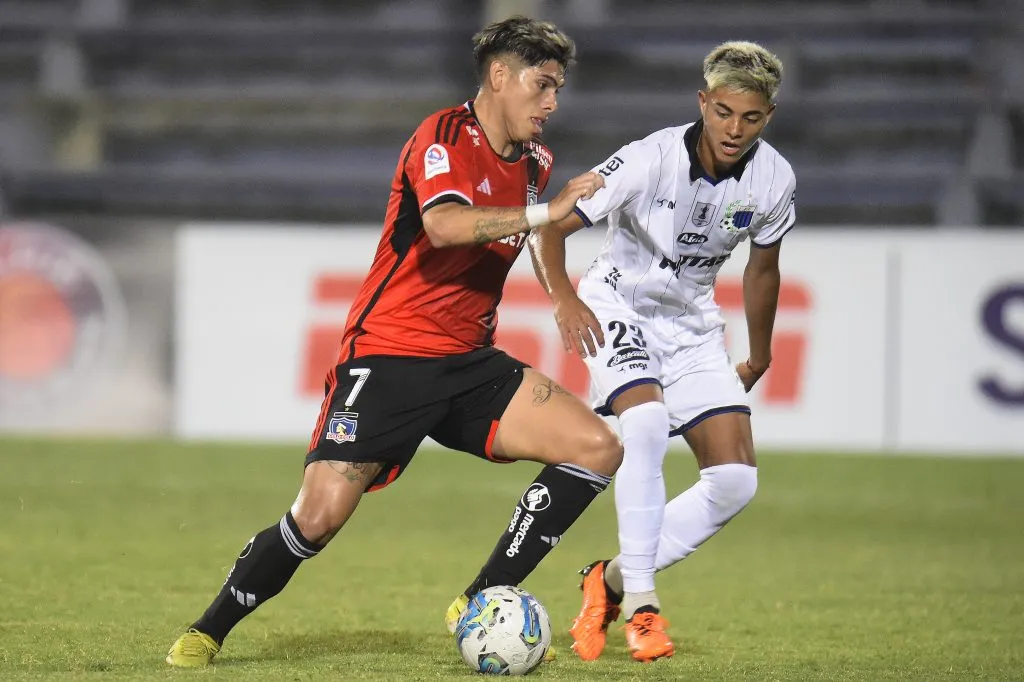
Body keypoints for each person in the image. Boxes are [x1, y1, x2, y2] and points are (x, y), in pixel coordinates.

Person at [165, 16, 622, 667]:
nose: (552, 103)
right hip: (388, 356)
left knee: (597, 446)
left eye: (558, 89)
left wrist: (561, 293)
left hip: (470, 365)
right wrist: (544, 215)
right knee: (317, 518)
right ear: (499, 76)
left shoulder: (536, 164)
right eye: (542, 85)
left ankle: (481, 598)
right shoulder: (440, 137)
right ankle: (208, 629)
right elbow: (444, 226)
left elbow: (542, 233)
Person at [529, 41, 795, 663]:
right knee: (644, 422)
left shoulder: (775, 178)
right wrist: (566, 300)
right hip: (618, 305)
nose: (734, 129)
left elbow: (763, 270)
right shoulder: (649, 159)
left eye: (750, 118)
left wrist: (758, 354)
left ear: (769, 117)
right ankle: (644, 609)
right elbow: (551, 226)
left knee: (733, 482)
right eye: (724, 112)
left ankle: (611, 580)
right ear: (703, 103)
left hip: (693, 325)